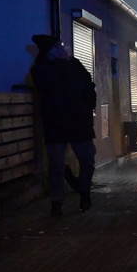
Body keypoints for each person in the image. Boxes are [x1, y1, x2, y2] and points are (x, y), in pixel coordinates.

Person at [30, 35, 97, 216]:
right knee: (56, 165)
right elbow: (49, 87)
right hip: (56, 123)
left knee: (87, 160)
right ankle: (57, 202)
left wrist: (89, 105)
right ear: (49, 52)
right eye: (58, 47)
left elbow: (88, 85)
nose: (63, 49)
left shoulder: (74, 64)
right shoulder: (41, 69)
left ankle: (84, 192)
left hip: (79, 122)